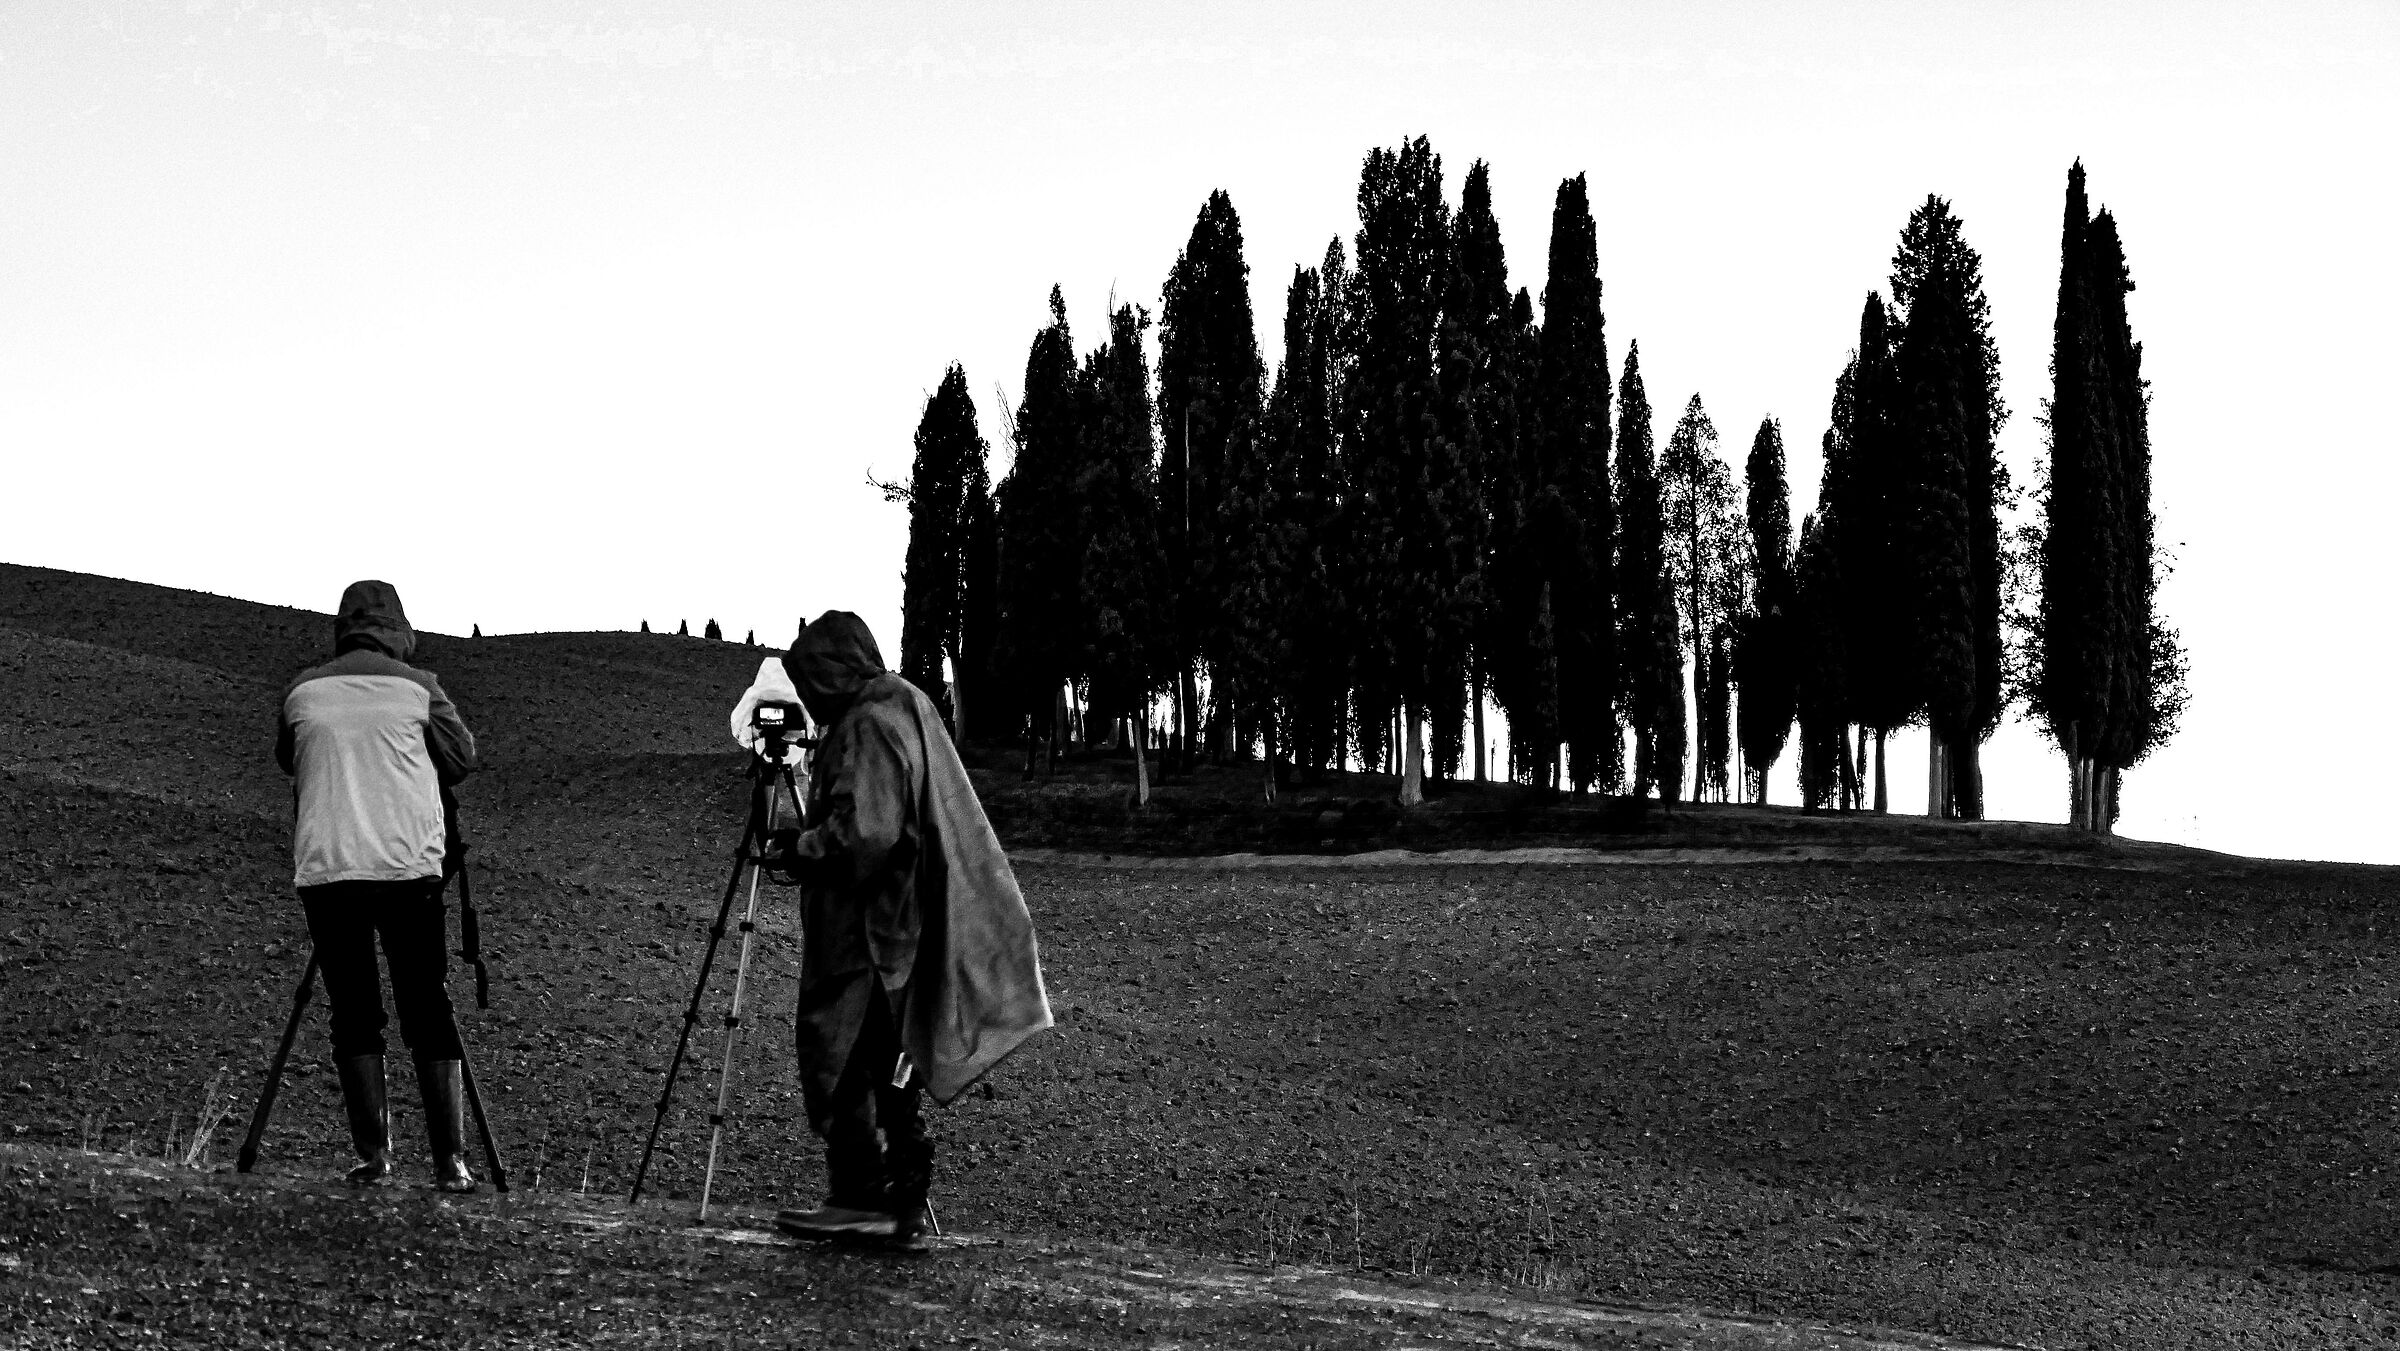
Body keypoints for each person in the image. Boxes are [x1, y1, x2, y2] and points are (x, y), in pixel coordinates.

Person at [764, 611, 1052, 1248]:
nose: (806, 698)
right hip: (902, 925)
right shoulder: (902, 702)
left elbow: (866, 833)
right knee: (885, 1061)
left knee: (843, 1053)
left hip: (867, 933)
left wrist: (801, 848)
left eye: (808, 679)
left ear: (826, 670)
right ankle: (898, 1201)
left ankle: (866, 1198)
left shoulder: (866, 722)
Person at [275, 580, 480, 1190]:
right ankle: (450, 1162)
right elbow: (462, 759)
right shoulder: (420, 689)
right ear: (398, 629)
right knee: (427, 1007)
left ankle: (373, 1157)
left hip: (328, 870)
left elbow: (291, 760)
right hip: (407, 872)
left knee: (354, 1013)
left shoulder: (302, 690)